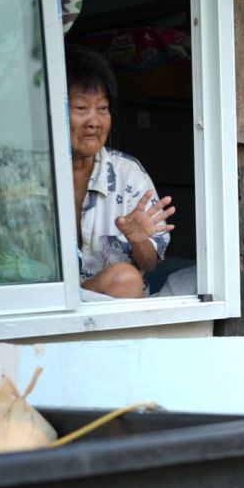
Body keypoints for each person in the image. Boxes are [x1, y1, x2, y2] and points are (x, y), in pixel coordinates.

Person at [66, 45, 174, 298]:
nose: (94, 121)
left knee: (125, 279)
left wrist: (138, 241)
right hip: (44, 308)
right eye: (81, 109)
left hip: (116, 303)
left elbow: (149, 264)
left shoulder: (128, 173)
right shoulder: (30, 174)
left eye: (102, 109)